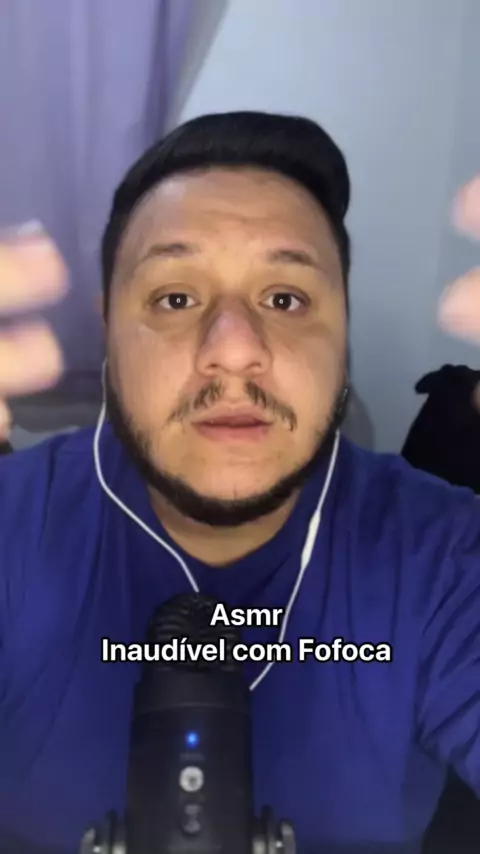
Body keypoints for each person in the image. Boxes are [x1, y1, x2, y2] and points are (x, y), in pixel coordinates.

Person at [0, 111, 480, 854]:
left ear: (343, 331)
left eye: (285, 299)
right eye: (175, 298)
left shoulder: (443, 558)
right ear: (108, 333)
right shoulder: (13, 526)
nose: (233, 351)